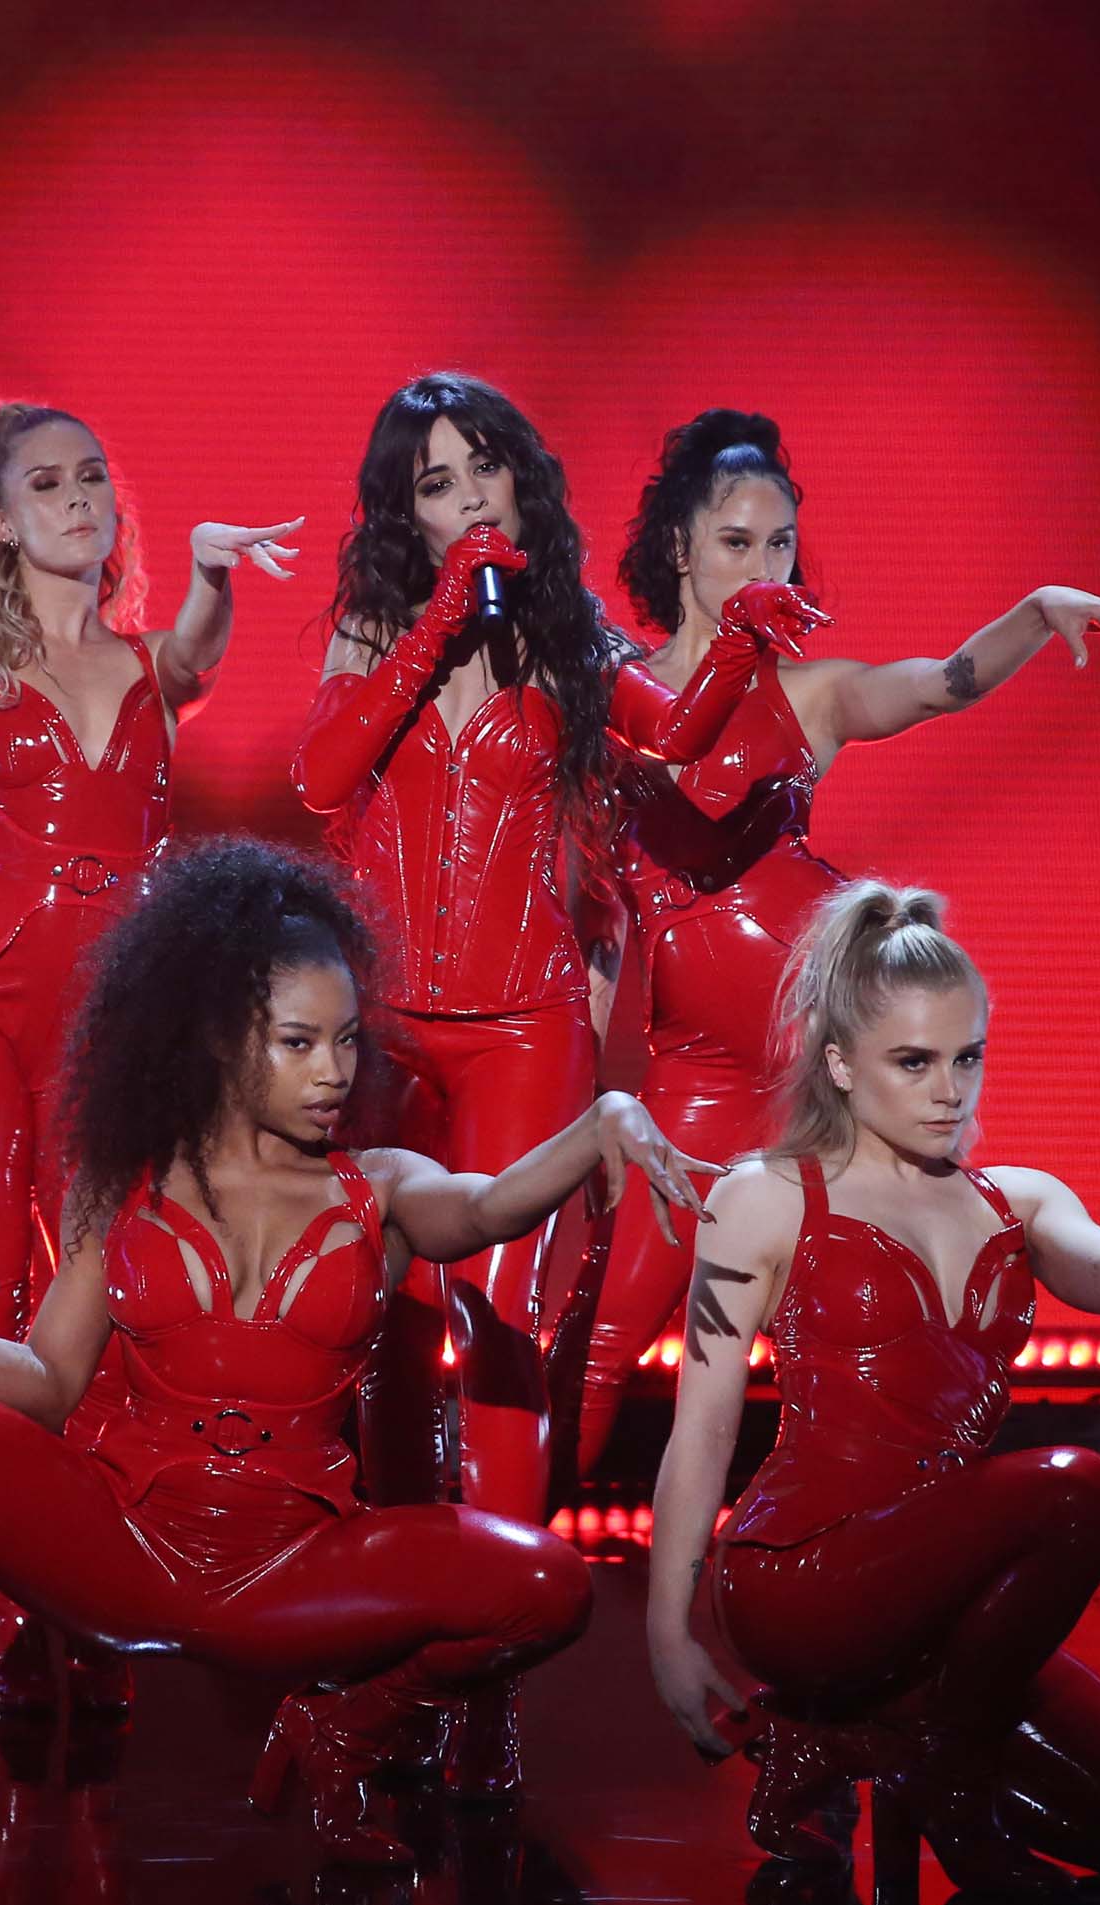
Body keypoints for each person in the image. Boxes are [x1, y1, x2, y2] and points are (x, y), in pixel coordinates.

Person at [0, 840, 718, 1877]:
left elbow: (490, 1205)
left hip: (295, 1572)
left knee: (549, 1584)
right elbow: (44, 1386)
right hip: (123, 1547)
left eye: (348, 1042)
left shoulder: (382, 1188)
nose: (333, 1072)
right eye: (299, 1043)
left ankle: (339, 1731)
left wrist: (604, 1119)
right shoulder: (128, 1184)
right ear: (223, 1042)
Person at [643, 883, 1100, 1893]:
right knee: (1074, 1485)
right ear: (842, 1066)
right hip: (801, 1586)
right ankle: (940, 1774)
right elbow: (701, 1434)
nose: (949, 1091)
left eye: (966, 1057)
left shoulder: (1015, 1202)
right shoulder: (760, 1198)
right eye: (913, 1063)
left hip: (938, 1604)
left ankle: (854, 1744)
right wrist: (668, 1635)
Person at [0, 399, 299, 1716]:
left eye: (95, 477)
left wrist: (208, 574)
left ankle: (81, 1597)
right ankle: (10, 1621)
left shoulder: (148, 668)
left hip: (113, 1019)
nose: (82, 499)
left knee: (93, 1317)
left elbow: (198, 655)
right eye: (50, 483)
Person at [296, 372, 744, 1793]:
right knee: (384, 1331)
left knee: (496, 1338)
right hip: (383, 1033)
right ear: (405, 515)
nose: (468, 499)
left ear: (521, 483)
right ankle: (390, 1640)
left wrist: (739, 644)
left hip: (525, 1028)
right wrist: (434, 627)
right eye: (434, 482)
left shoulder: (569, 642)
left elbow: (673, 741)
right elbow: (318, 777)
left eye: (484, 468)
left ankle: (482, 1672)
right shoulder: (381, 629)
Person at [578, 409, 1100, 1477]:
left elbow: (943, 682)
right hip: (693, 1073)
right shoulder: (618, 696)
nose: (762, 567)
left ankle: (879, 1553)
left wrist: (1034, 614)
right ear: (677, 548)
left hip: (828, 1056)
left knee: (863, 1336)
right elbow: (628, 874)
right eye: (735, 544)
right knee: (597, 1341)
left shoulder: (813, 694)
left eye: (778, 546)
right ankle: (516, 1565)